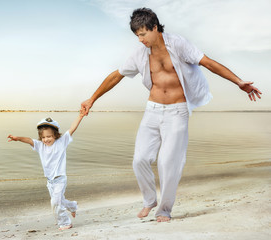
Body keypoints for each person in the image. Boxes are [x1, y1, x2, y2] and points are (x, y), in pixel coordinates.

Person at [81, 8, 261, 222]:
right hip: (153, 110)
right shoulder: (139, 54)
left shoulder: (178, 44)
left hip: (178, 111)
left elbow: (209, 63)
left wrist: (238, 82)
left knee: (169, 163)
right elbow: (116, 76)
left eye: (142, 34)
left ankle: (164, 210)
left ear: (155, 27)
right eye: (137, 35)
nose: (140, 40)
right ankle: (149, 200)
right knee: (139, 160)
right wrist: (92, 99)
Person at [7, 112, 85, 230]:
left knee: (55, 203)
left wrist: (80, 116)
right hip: (50, 182)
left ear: (55, 135)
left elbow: (72, 129)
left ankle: (65, 223)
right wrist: (18, 138)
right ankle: (73, 206)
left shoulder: (61, 142)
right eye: (43, 137)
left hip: (60, 179)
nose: (46, 139)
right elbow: (29, 140)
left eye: (49, 136)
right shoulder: (40, 146)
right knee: (60, 201)